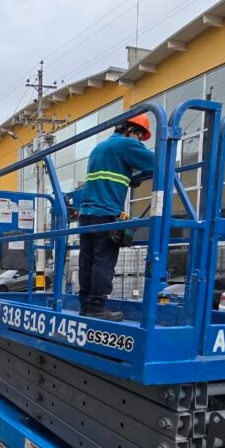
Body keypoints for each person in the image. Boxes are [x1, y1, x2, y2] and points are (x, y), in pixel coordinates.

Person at [67, 113, 154, 321]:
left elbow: (110, 176)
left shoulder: (100, 148)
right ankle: (97, 307)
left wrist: (128, 177)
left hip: (87, 214)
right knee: (104, 261)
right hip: (105, 213)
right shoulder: (126, 145)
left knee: (87, 260)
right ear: (133, 131)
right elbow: (159, 162)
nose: (140, 142)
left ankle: (86, 306)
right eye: (140, 137)